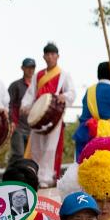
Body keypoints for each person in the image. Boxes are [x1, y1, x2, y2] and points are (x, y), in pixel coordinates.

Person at [20, 43, 76, 186]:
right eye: (47, 54)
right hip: (38, 116)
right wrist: (25, 106)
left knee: (50, 148)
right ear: (44, 56)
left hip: (54, 116)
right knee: (36, 148)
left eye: (53, 54)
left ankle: (46, 179)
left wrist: (64, 97)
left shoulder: (64, 75)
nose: (50, 57)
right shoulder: (38, 75)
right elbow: (31, 94)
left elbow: (72, 92)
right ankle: (35, 177)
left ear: (57, 56)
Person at [8, 58, 36, 160]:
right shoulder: (15, 85)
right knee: (18, 154)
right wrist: (11, 122)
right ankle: (10, 175)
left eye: (32, 67)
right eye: (28, 67)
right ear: (22, 68)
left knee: (30, 157)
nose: (30, 70)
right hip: (18, 127)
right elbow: (9, 104)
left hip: (33, 128)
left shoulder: (37, 86)